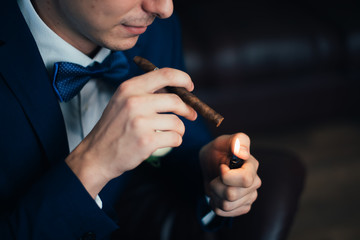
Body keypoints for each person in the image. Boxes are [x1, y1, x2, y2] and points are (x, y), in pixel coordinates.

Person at [0, 0, 263, 239]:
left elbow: (179, 145)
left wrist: (205, 170)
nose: (164, 8)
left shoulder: (155, 30)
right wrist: (93, 164)